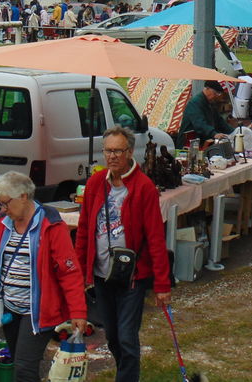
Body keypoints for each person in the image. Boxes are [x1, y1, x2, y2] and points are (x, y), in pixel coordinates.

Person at [75, 127, 170, 382]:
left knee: (127, 336)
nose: (112, 156)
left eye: (118, 150)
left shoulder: (144, 187)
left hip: (133, 276)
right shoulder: (95, 183)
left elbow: (155, 239)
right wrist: (80, 272)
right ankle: (124, 371)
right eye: (108, 150)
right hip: (102, 274)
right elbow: (84, 230)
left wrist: (162, 284)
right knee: (114, 336)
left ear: (129, 152)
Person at [0, 172, 87, 382]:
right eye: (0, 205)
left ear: (23, 196)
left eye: (6, 203)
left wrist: (78, 311)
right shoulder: (4, 223)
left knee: (24, 368)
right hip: (10, 308)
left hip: (37, 312)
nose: (3, 209)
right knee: (21, 363)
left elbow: (69, 272)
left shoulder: (51, 225)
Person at [176, 80, 232, 148]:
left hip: (201, 142)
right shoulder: (195, 103)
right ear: (207, 88)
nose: (216, 96)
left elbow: (220, 122)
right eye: (215, 93)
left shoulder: (210, 103)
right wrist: (214, 134)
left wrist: (234, 132)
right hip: (187, 144)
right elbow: (200, 124)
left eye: (218, 94)